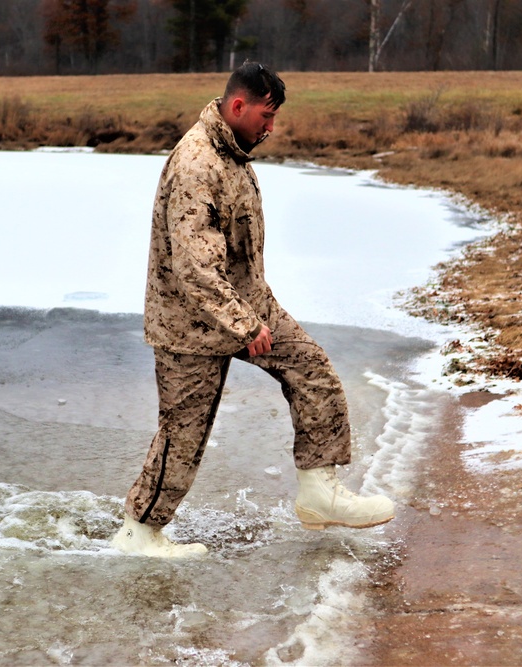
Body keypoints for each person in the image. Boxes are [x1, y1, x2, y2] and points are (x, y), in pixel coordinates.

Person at [112, 62, 395, 558]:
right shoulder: (196, 163)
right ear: (238, 106)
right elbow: (194, 267)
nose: (272, 127)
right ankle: (139, 534)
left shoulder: (234, 154)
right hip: (190, 326)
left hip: (249, 307)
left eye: (275, 117)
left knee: (312, 370)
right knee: (184, 433)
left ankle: (318, 493)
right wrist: (244, 325)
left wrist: (253, 315)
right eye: (266, 115)